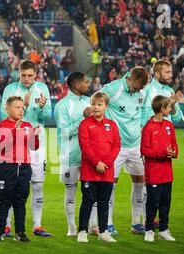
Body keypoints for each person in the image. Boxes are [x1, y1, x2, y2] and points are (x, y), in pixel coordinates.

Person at [92, 66, 150, 235]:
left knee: (140, 181)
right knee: (110, 184)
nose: (138, 90)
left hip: (135, 145)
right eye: (136, 86)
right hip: (114, 146)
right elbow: (96, 101)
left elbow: (145, 109)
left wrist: (143, 125)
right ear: (130, 78)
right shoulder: (114, 88)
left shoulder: (142, 91)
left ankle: (136, 223)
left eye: (141, 88)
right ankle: (108, 223)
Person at [0, 60, 53, 238]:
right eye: (23, 75)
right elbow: (2, 115)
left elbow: (47, 116)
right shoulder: (10, 89)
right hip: (14, 144)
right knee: (10, 187)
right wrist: (26, 105)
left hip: (36, 143)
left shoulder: (42, 89)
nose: (27, 79)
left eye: (30, 75)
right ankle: (6, 226)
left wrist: (43, 106)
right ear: (19, 73)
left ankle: (37, 225)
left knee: (38, 185)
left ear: (36, 75)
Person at [54, 72, 99, 236]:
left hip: (89, 156)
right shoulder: (62, 106)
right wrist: (83, 118)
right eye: (86, 81)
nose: (89, 83)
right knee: (71, 190)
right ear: (76, 85)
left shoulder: (90, 102)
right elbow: (65, 132)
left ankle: (94, 225)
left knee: (92, 191)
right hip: (70, 155)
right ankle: (72, 227)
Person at [0, 96, 41, 242]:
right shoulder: (2, 125)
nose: (21, 110)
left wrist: (35, 136)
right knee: (4, 201)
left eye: (22, 107)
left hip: (24, 167)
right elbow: (3, 145)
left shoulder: (27, 124)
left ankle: (20, 233)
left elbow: (33, 147)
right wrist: (15, 130)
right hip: (7, 167)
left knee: (20, 201)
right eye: (17, 107)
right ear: (8, 109)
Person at [77, 92, 120, 243]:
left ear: (106, 107)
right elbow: (85, 146)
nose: (96, 107)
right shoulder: (85, 124)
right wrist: (97, 163)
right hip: (89, 172)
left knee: (104, 202)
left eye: (99, 104)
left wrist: (105, 164)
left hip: (107, 172)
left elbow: (116, 146)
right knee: (87, 201)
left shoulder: (113, 125)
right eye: (94, 104)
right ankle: (82, 231)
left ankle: (103, 232)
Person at [141, 95, 179, 242]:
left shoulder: (169, 126)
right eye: (169, 106)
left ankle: (163, 229)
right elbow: (144, 150)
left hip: (167, 172)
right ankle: (149, 230)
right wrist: (163, 153)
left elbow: (174, 144)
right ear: (162, 109)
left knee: (165, 202)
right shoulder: (148, 127)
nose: (171, 109)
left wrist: (173, 152)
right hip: (154, 173)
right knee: (153, 203)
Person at [141, 60, 184, 127]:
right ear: (157, 74)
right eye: (167, 72)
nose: (171, 75)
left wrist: (172, 106)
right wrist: (166, 106)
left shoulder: (171, 91)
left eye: (171, 72)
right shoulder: (147, 89)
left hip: (167, 134)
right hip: (152, 134)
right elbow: (144, 116)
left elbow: (177, 120)